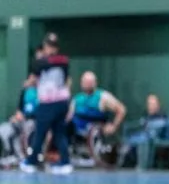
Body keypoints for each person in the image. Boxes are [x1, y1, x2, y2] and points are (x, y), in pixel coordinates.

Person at [20, 33, 73, 174]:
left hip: (51, 103)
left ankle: (31, 162)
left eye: (52, 46)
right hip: (57, 102)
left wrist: (28, 82)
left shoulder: (52, 61)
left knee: (41, 133)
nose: (50, 49)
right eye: (48, 46)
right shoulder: (57, 61)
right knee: (58, 133)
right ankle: (65, 162)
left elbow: (37, 72)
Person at [67, 71, 127, 139]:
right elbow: (69, 117)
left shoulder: (103, 96)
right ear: (81, 83)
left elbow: (121, 109)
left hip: (95, 135)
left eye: (90, 82)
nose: (87, 84)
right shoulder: (76, 99)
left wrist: (113, 126)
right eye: (86, 82)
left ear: (95, 83)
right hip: (76, 135)